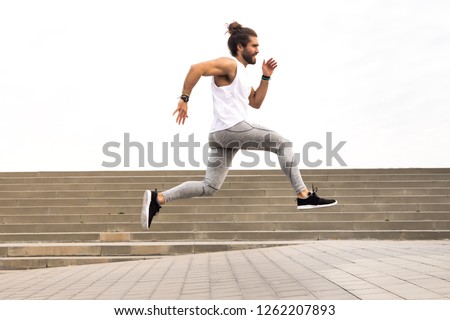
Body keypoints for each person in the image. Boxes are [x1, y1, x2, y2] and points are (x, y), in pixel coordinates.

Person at [141, 22, 337, 230]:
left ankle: (158, 198)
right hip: (232, 128)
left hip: (220, 135)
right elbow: (196, 68)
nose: (258, 50)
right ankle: (303, 195)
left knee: (209, 187)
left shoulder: (242, 74)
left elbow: (256, 102)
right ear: (240, 47)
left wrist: (266, 76)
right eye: (254, 46)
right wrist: (184, 99)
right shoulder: (229, 64)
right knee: (283, 144)